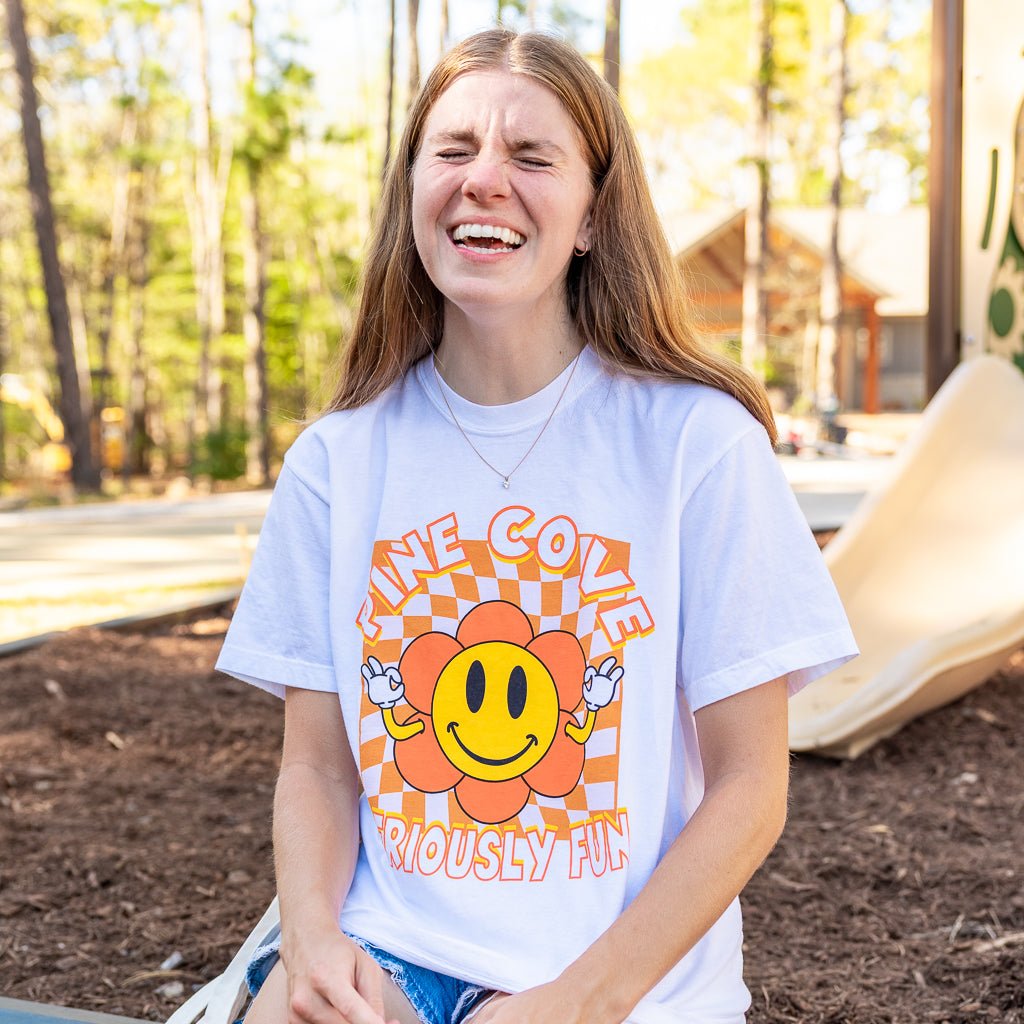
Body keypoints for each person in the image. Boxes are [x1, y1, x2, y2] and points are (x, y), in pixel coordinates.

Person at [215, 27, 858, 1024]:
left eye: (530, 156)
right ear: (414, 192)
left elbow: (749, 790)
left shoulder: (697, 445)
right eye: (454, 149)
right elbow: (316, 765)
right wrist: (309, 942)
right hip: (394, 951)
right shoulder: (338, 464)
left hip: (623, 982)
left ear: (593, 215)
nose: (483, 181)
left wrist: (579, 1001)